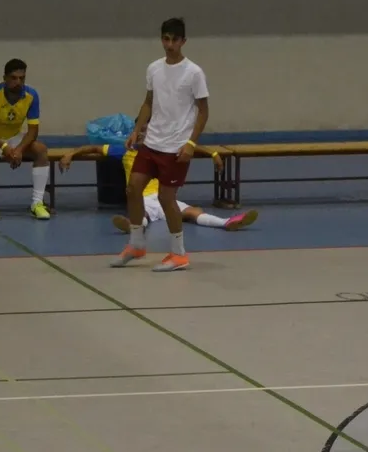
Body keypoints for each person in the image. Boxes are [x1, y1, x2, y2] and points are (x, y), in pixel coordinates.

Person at [111, 17, 209, 272]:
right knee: (133, 188)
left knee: (167, 198)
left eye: (175, 40)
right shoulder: (154, 68)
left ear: (183, 41)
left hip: (176, 147)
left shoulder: (194, 73)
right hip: (151, 142)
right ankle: (136, 244)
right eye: (166, 39)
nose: (170, 44)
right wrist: (136, 131)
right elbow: (148, 102)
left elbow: (203, 111)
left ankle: (179, 254)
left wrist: (191, 143)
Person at [58, 140, 258, 232]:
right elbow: (94, 147)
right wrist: (70, 154)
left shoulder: (161, 148)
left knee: (192, 211)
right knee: (143, 214)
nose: (144, 135)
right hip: (142, 197)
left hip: (164, 195)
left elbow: (190, 145)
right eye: (141, 131)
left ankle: (226, 223)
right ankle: (133, 226)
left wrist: (213, 154)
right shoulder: (124, 150)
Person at [0, 58, 51, 222]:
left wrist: (19, 149)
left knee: (41, 150)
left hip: (14, 137)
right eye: (14, 78)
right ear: (5, 78)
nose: (18, 82)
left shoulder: (31, 95)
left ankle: (37, 203)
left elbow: (33, 130)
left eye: (22, 78)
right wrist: (3, 146)